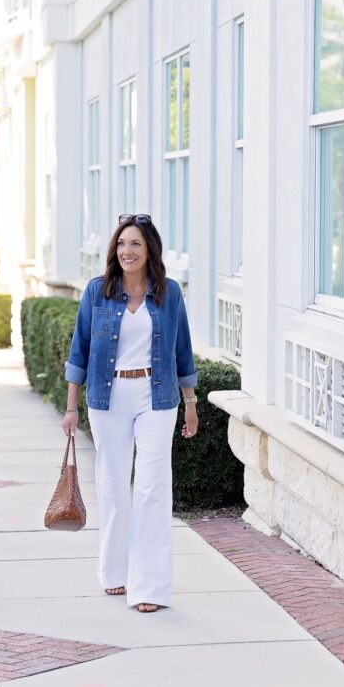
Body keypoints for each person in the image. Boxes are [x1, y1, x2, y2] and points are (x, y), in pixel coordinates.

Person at [62, 214, 198, 613]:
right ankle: (115, 572)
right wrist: (71, 408)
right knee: (114, 486)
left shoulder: (168, 294)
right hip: (108, 397)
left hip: (157, 396)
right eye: (122, 245)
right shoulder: (97, 292)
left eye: (135, 244)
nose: (127, 251)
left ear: (149, 249)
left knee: (154, 488)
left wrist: (191, 403)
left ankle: (150, 587)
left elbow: (182, 351)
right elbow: (79, 351)